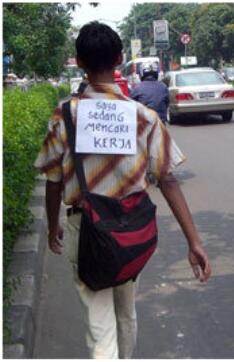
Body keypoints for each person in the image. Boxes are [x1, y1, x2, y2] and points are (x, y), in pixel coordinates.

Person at [34, 21, 211, 359]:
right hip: (131, 232)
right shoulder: (143, 116)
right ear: (118, 59)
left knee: (99, 324)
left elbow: (53, 179)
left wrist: (53, 223)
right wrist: (195, 242)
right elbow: (168, 179)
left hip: (84, 229)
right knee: (126, 313)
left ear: (79, 62)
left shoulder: (65, 115)